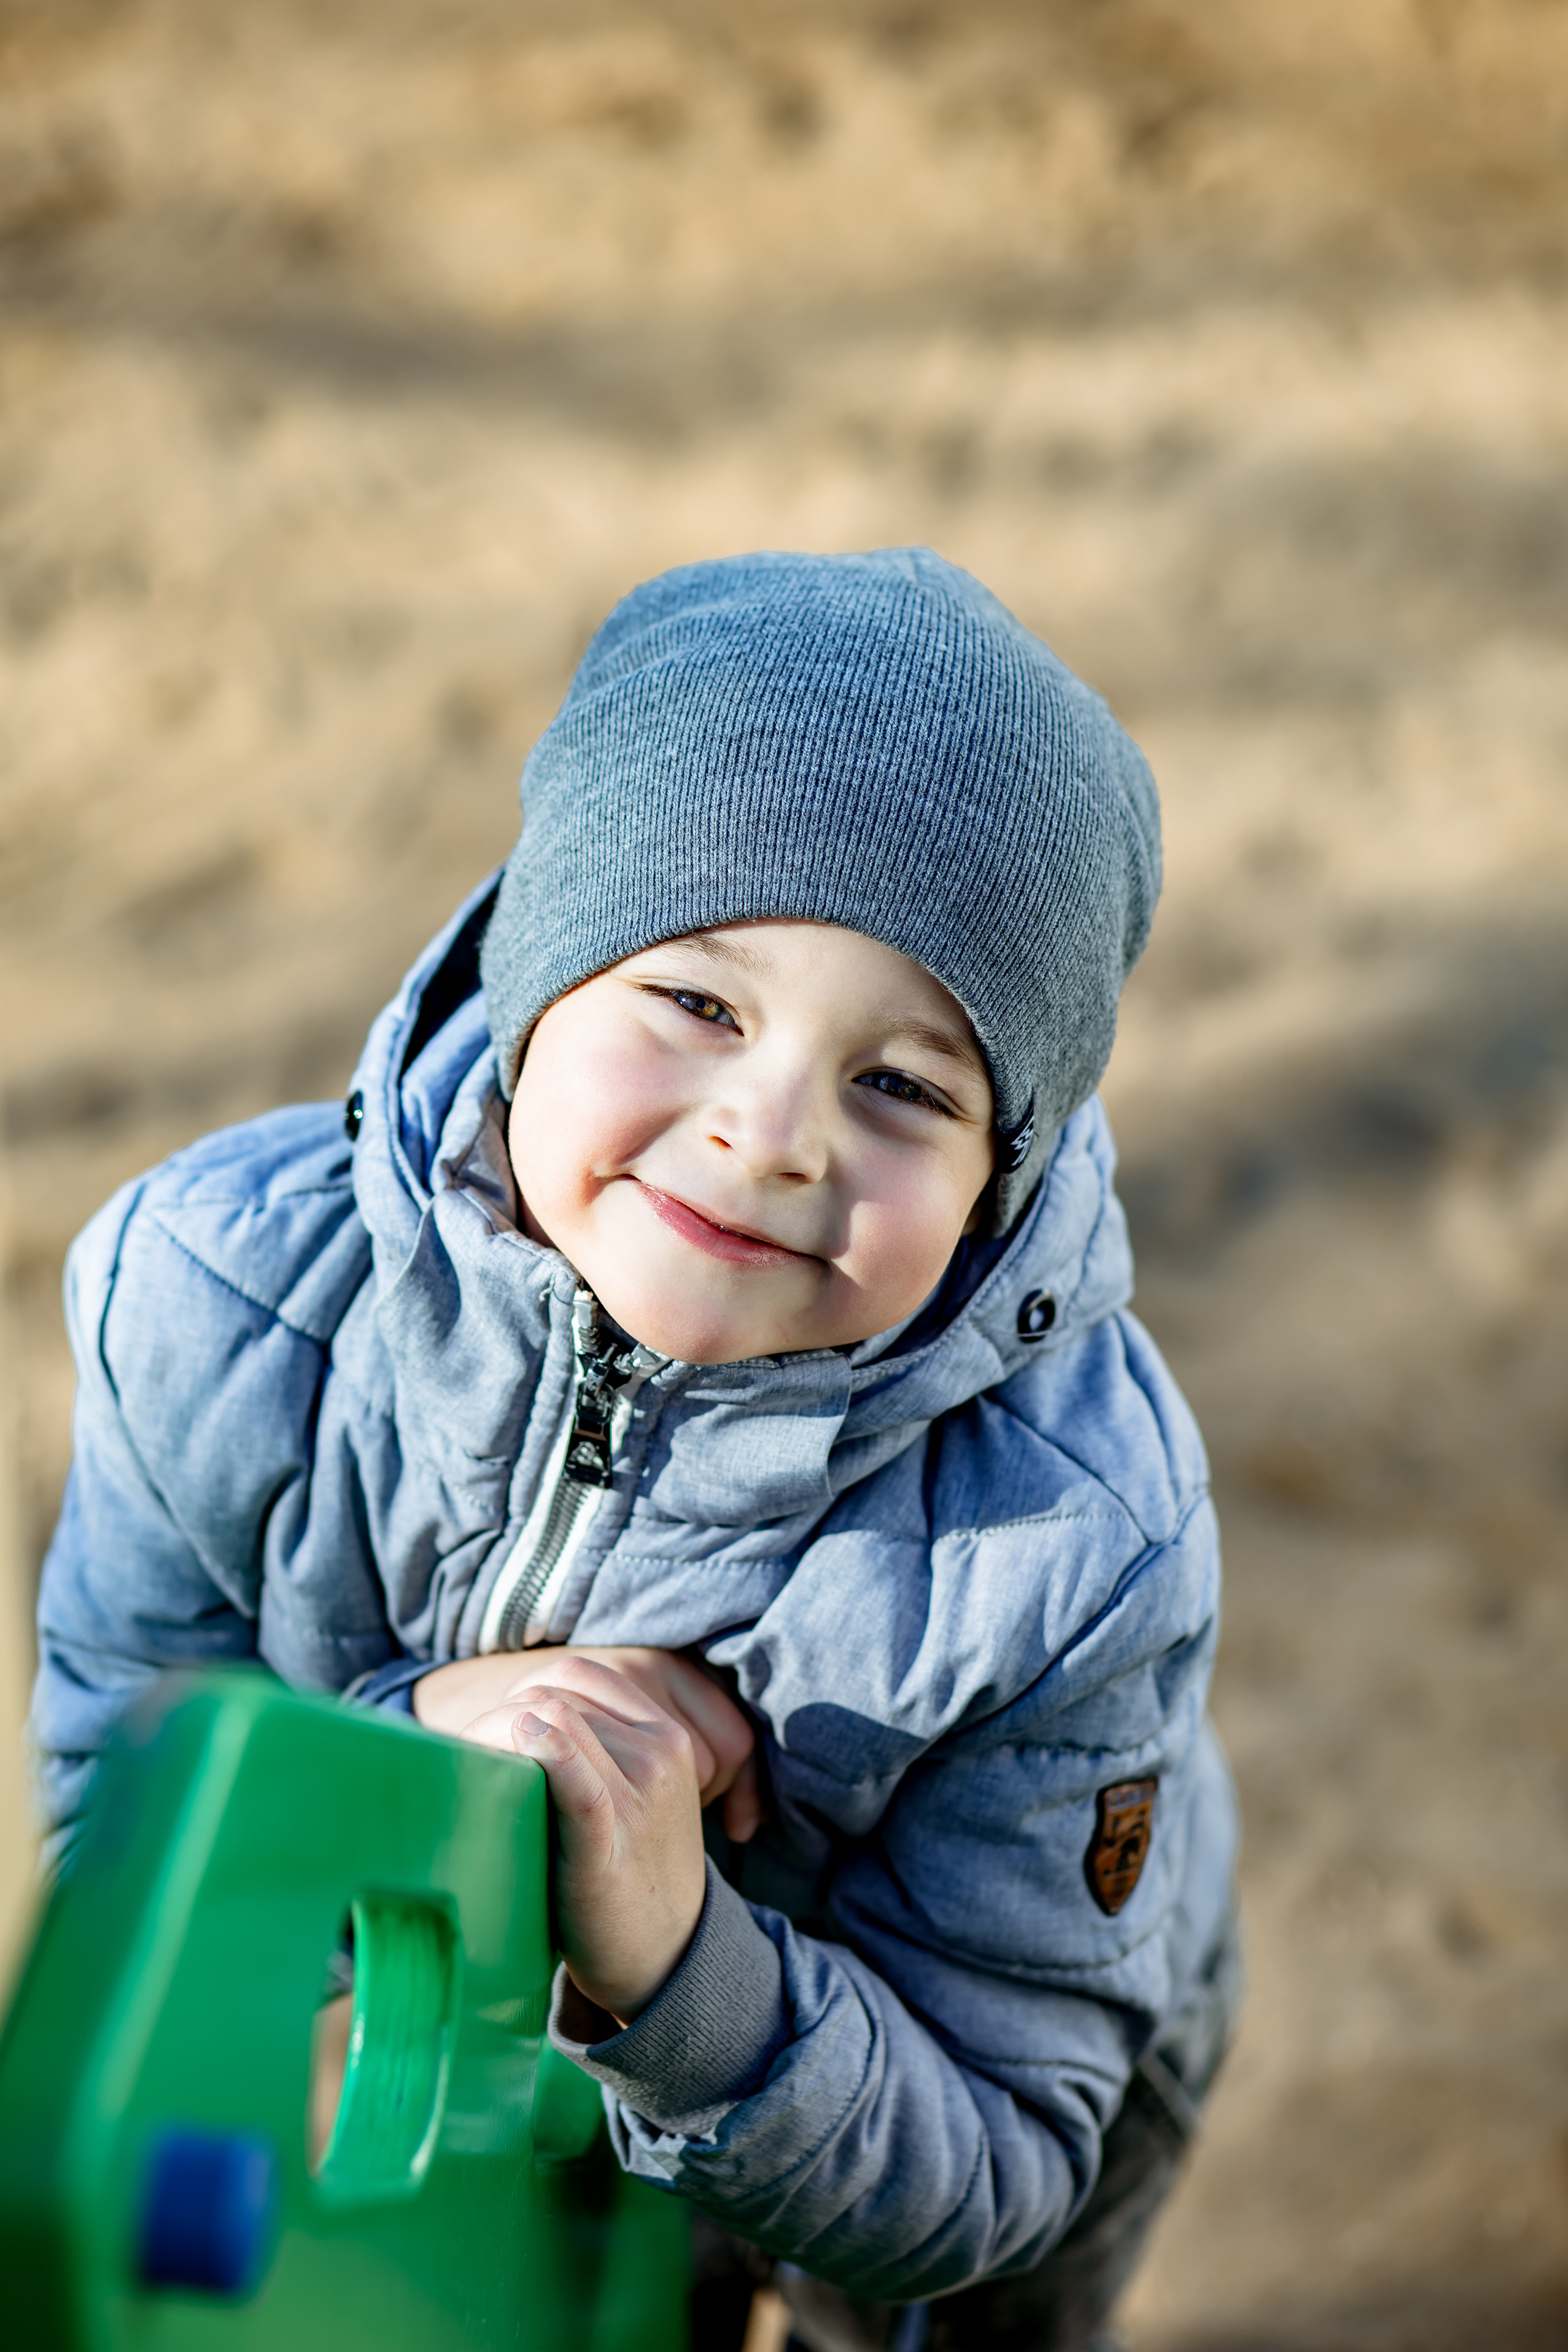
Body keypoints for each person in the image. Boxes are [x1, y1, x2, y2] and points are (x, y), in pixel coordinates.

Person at [31, 550, 1240, 2351]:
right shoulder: (212, 1299)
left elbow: (988, 2154)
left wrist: (679, 1963)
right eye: (697, 1002)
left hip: (958, 2051)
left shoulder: (1068, 1544)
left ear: (1005, 1179)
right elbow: (121, 1815)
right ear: (537, 975)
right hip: (514, 2075)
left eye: (903, 1086)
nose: (770, 1139)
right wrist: (424, 1756)